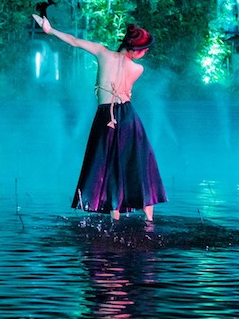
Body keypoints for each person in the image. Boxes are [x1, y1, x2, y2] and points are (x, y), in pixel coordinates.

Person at [32, 13, 167, 221]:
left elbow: (75, 42)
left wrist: (50, 30)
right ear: (135, 50)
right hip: (128, 116)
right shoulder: (138, 68)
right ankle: (148, 217)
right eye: (144, 50)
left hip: (107, 117)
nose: (145, 53)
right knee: (136, 163)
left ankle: (115, 215)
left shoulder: (103, 53)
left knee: (109, 163)